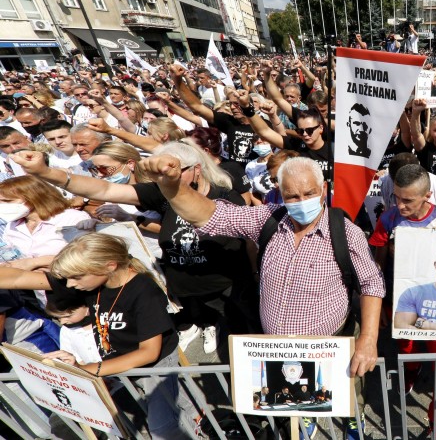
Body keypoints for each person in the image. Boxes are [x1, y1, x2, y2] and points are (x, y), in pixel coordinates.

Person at [131, 155, 384, 439]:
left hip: (332, 344)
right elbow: (209, 214)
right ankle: (302, 421)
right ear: (279, 191)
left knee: (347, 391)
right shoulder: (268, 219)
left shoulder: (346, 233)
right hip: (277, 349)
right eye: (292, 195)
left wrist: (368, 340)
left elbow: (371, 283)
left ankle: (353, 422)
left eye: (309, 193)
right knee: (292, 399)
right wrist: (171, 186)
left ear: (324, 189)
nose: (301, 201)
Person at [12, 141, 261, 358]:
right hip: (186, 286)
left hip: (228, 288)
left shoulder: (225, 196)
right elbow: (104, 189)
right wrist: (46, 172)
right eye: (159, 174)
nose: (165, 178)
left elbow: (248, 241)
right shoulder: (163, 191)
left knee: (249, 336)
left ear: (196, 169)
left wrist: (253, 275)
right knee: (223, 331)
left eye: (175, 171)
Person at [0, 234, 199, 439]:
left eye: (75, 277)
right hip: (121, 366)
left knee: (164, 429)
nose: (69, 285)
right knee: (141, 422)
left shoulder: (143, 291)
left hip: (155, 369)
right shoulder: (91, 281)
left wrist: (86, 370)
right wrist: (35, 262)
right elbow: (16, 278)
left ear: (109, 266)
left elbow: (149, 353)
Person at [0, 176, 91, 271]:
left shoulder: (72, 218)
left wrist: (34, 262)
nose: (2, 205)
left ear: (33, 198)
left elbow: (85, 254)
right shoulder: (12, 226)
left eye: (8, 201)